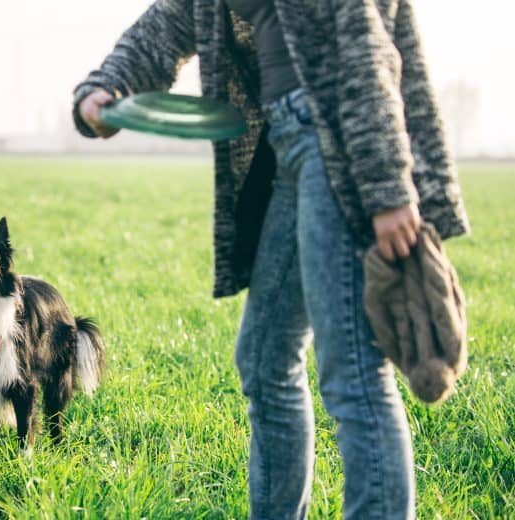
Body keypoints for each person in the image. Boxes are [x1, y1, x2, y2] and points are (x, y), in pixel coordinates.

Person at [72, 1, 469, 518]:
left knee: (352, 370)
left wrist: (387, 185)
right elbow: (173, 21)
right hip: (289, 145)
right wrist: (106, 88)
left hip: (338, 142)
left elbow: (365, 45)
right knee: (264, 359)